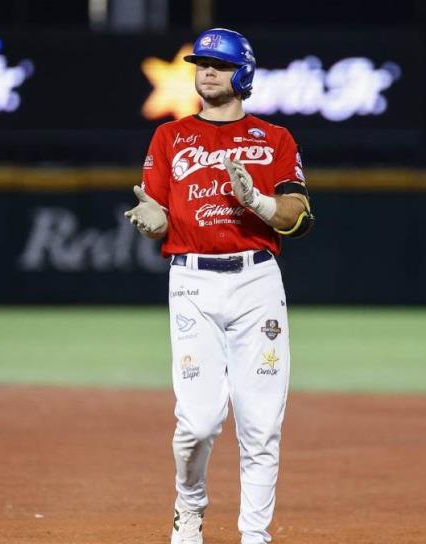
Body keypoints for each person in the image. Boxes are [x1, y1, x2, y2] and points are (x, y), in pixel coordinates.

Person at [124, 28, 313, 544]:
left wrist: (261, 203)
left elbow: (298, 216)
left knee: (260, 425)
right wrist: (151, 217)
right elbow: (160, 214)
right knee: (198, 424)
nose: (207, 71)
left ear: (243, 73)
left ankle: (255, 535)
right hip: (192, 282)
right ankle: (190, 507)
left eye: (219, 64)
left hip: (257, 282)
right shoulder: (170, 137)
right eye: (201, 62)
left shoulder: (274, 139)